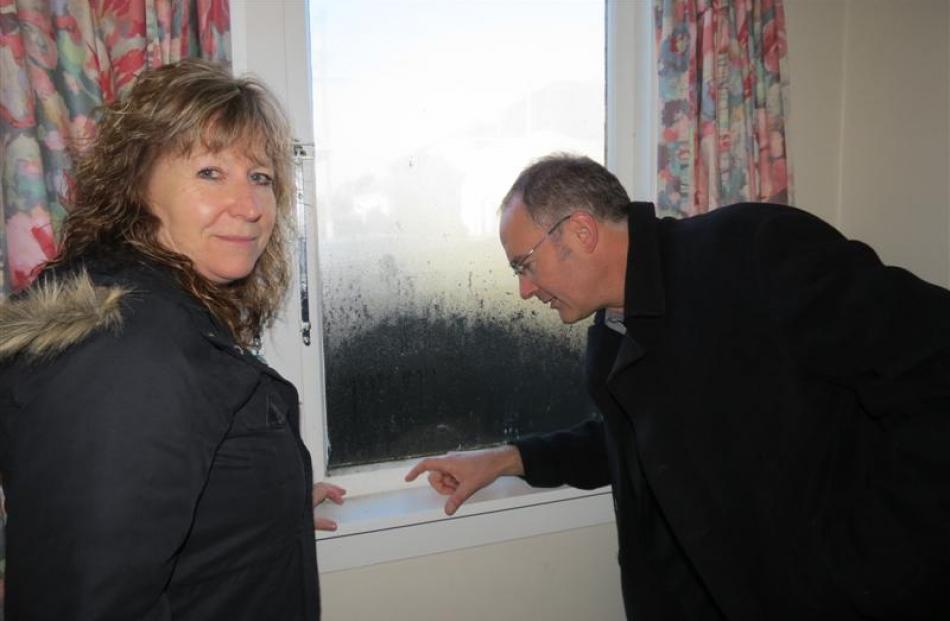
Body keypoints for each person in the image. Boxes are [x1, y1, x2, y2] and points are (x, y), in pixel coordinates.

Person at [406, 154, 950, 620]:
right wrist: (507, 459)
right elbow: (633, 442)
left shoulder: (753, 252)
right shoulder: (612, 331)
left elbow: (930, 363)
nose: (525, 290)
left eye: (525, 264)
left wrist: (881, 558)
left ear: (580, 231)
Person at [0, 59, 344, 620]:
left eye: (260, 177)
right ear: (137, 182)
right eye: (211, 172)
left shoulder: (150, 311)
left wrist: (259, 499)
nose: (252, 206)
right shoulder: (128, 351)